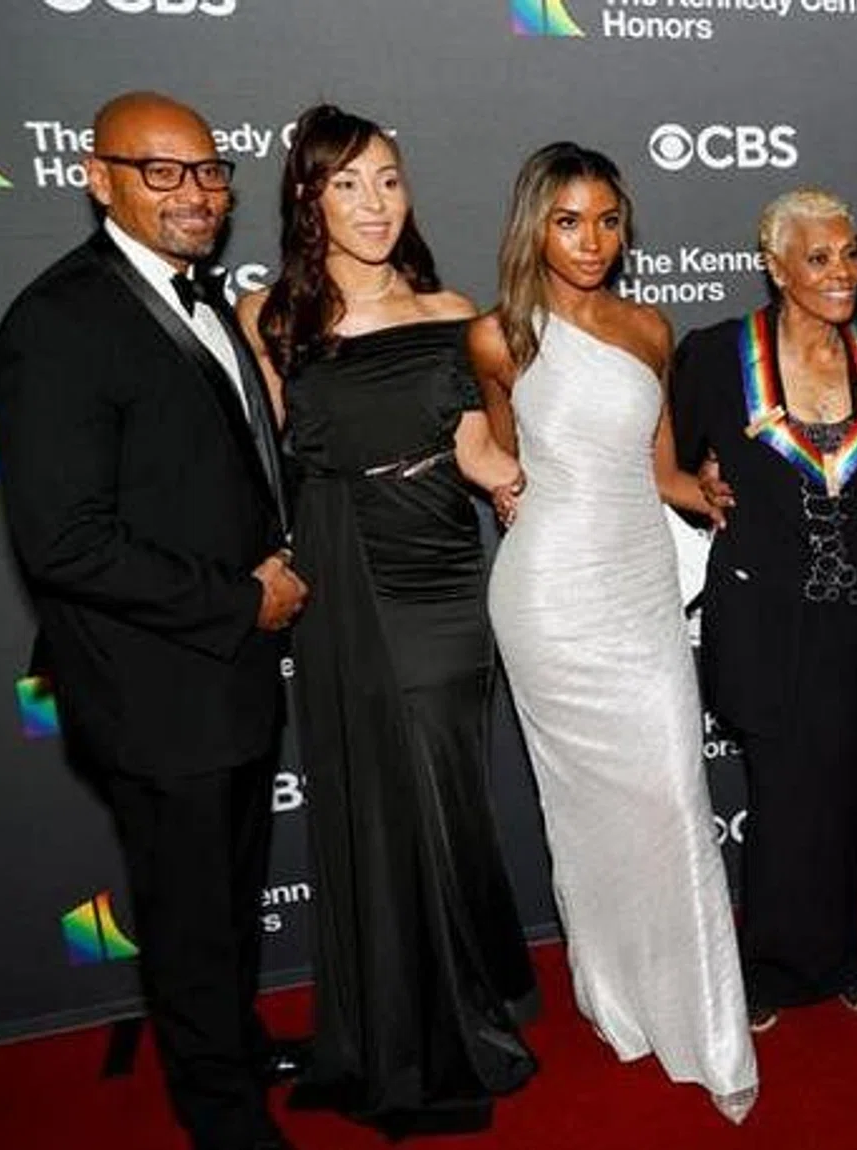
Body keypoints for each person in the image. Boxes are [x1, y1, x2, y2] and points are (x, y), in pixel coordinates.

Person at [0, 91, 305, 1150]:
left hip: (231, 670)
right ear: (97, 176)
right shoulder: (59, 321)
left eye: (209, 171)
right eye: (161, 171)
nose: (196, 192)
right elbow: (65, 541)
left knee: (225, 897)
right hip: (152, 683)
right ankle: (223, 1116)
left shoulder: (202, 295)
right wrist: (240, 597)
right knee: (186, 912)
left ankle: (231, 1046)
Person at [235, 104, 536, 1137]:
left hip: (449, 574)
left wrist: (543, 492)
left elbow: (479, 452)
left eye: (389, 180)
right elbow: (259, 464)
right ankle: (414, 1035)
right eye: (348, 183)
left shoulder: (454, 308)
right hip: (348, 566)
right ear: (309, 197)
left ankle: (468, 991)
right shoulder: (271, 317)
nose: (373, 203)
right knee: (385, 795)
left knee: (448, 792)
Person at [471, 142, 757, 1123]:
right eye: (567, 221)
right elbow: (509, 455)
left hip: (639, 587)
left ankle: (708, 1022)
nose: (591, 241)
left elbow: (659, 463)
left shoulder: (647, 325)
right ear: (533, 227)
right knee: (581, 812)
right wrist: (507, 484)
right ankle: (615, 995)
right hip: (550, 595)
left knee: (676, 795)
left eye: (606, 220)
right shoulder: (499, 337)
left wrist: (704, 491)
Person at [670, 189, 857, 1032]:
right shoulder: (717, 354)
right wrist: (699, 489)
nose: (840, 273)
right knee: (777, 796)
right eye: (818, 258)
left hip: (855, 616)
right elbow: (667, 461)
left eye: (849, 255)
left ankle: (843, 955)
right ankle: (765, 966)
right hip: (763, 614)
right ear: (775, 266)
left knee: (842, 793)